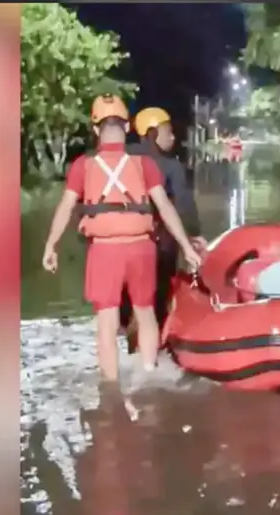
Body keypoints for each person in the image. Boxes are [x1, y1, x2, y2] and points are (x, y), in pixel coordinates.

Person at [42, 95, 202, 382]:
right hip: (142, 248)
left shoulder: (82, 166)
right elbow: (164, 207)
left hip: (104, 252)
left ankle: (112, 388)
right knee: (146, 312)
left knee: (107, 321)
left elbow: (66, 207)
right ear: (127, 126)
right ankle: (151, 375)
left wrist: (51, 245)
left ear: (94, 129)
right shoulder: (145, 165)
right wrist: (187, 246)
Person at [119, 107, 206, 352]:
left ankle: (128, 335)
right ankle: (153, 348)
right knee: (158, 296)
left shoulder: (121, 160)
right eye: (168, 132)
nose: (173, 138)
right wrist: (193, 235)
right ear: (153, 133)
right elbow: (184, 205)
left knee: (127, 297)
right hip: (158, 245)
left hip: (119, 243)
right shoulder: (170, 166)